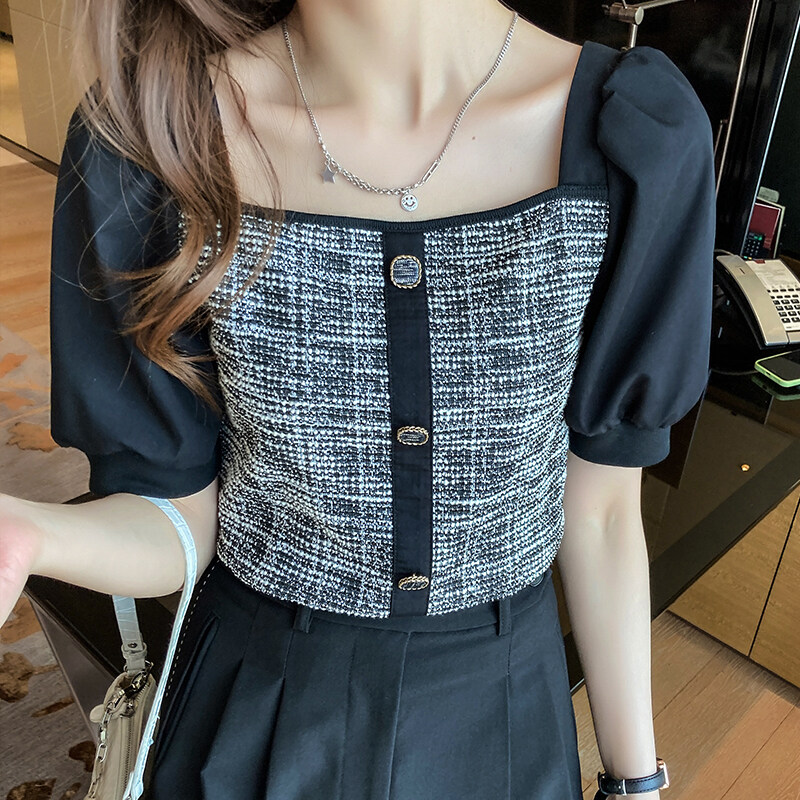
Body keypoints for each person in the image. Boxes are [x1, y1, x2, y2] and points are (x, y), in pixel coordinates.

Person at [0, 0, 716, 797]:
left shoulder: (634, 140)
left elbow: (604, 511)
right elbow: (175, 512)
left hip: (504, 715)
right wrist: (27, 533)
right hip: (254, 707)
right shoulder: (153, 140)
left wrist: (635, 784)